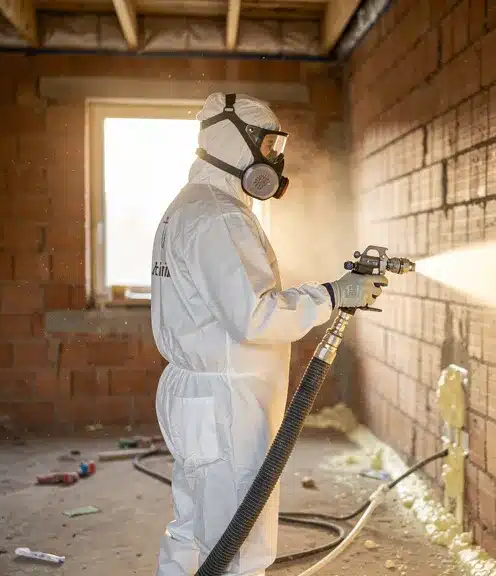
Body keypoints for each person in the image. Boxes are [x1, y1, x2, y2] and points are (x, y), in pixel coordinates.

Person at [149, 93, 387, 576]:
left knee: (195, 526)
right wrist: (332, 294)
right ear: (235, 142)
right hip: (225, 403)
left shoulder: (191, 206)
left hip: (202, 394)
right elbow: (255, 318)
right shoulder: (219, 216)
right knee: (239, 543)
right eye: (268, 144)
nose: (274, 159)